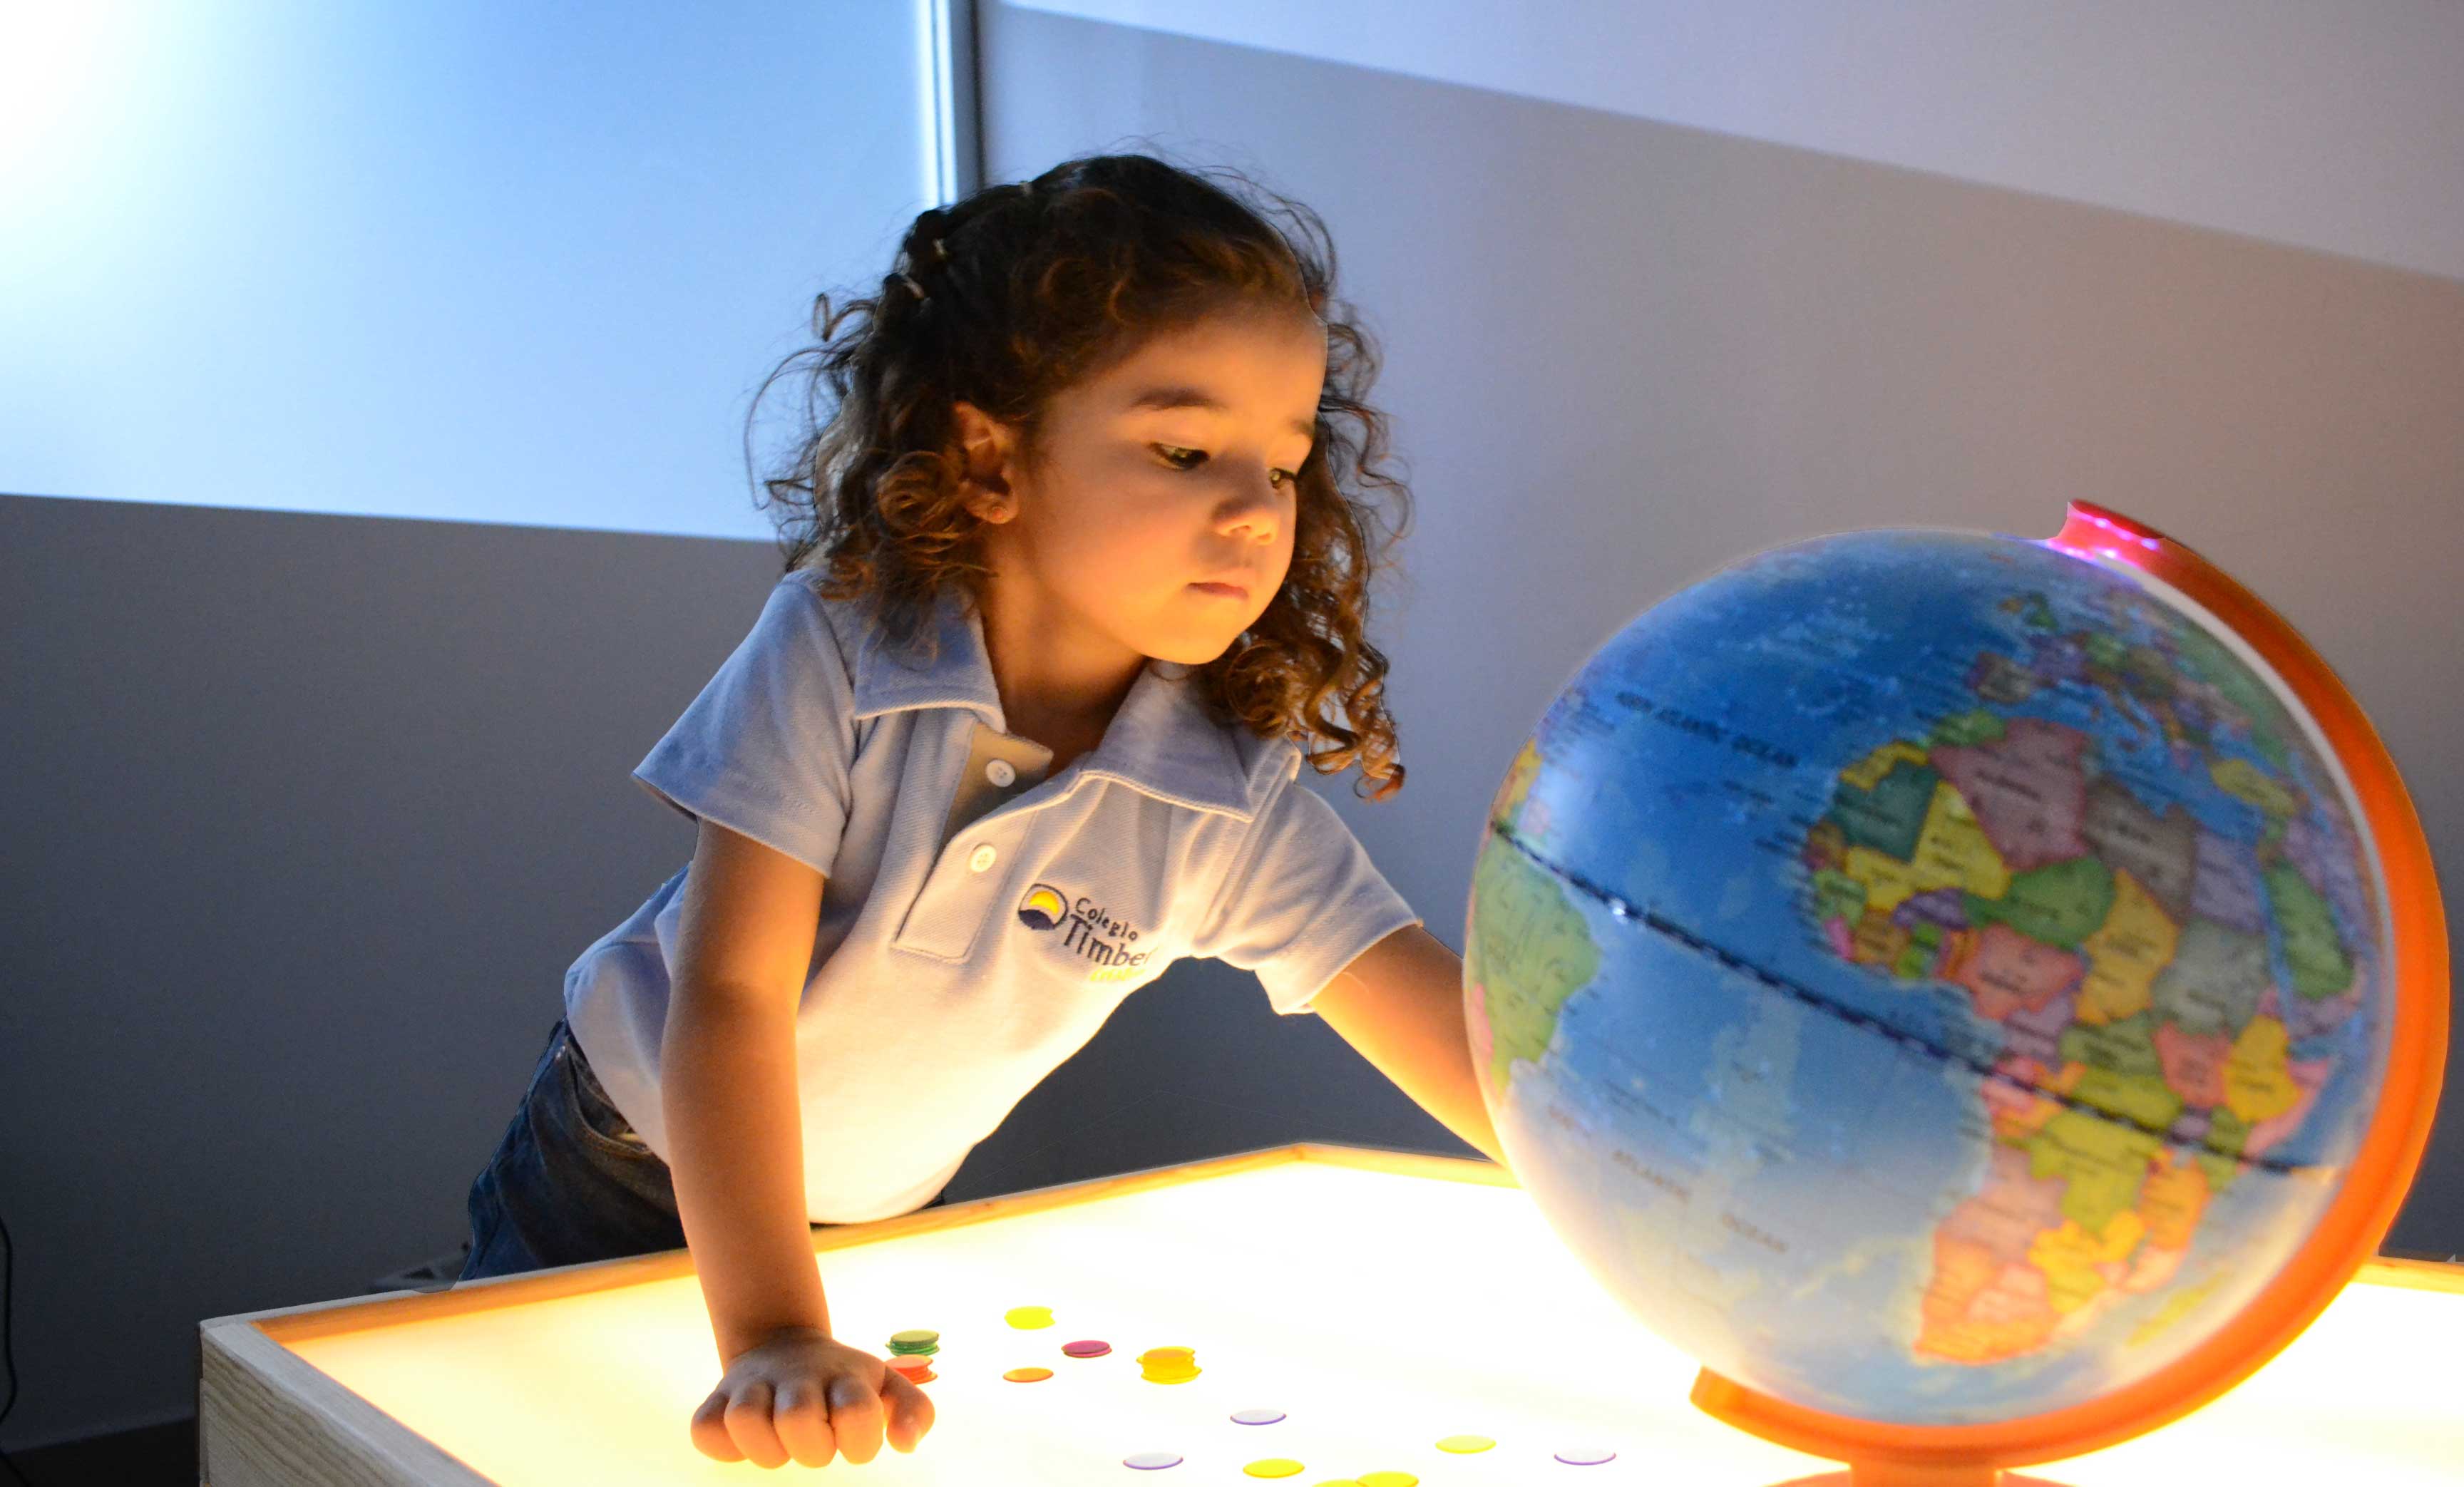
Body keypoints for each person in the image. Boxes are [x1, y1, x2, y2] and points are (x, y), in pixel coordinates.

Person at [454, 149, 1503, 1470]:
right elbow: (726, 999)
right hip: (618, 1164)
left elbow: (1456, 1042)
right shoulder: (838, 646)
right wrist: (773, 1325)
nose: (1252, 509)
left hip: (872, 1221)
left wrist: (1684, 1221)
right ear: (990, 458)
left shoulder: (1226, 795)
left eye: (1285, 466)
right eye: (1185, 449)